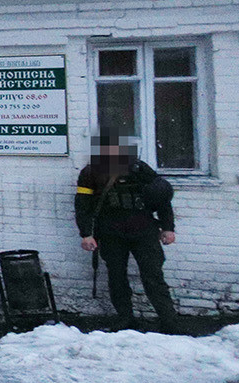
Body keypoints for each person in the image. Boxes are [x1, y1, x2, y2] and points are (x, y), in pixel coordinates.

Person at [75, 135, 180, 333]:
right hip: (111, 232)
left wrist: (168, 228)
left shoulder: (140, 169)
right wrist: (86, 234)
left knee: (153, 276)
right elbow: (83, 206)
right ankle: (125, 319)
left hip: (144, 231)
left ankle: (169, 321)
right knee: (117, 277)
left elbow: (162, 199)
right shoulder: (90, 173)